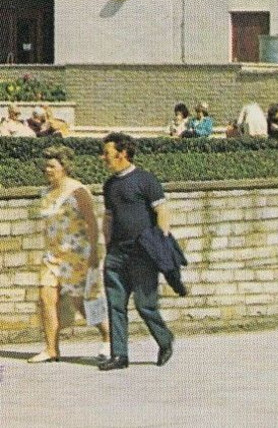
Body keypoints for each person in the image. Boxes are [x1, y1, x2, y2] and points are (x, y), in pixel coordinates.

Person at [98, 132, 176, 371]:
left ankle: (165, 340)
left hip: (143, 254)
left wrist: (160, 244)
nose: (103, 158)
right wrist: (107, 245)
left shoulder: (146, 180)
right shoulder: (109, 185)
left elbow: (162, 212)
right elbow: (109, 217)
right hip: (116, 254)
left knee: (145, 305)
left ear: (122, 154)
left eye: (107, 154)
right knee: (115, 304)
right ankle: (119, 355)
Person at [29, 146, 111, 363]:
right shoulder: (45, 193)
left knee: (81, 303)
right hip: (52, 256)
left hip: (76, 255)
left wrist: (94, 252)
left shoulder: (77, 191)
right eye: (45, 165)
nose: (47, 169)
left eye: (52, 166)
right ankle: (51, 349)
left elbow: (92, 223)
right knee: (46, 298)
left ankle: (109, 337)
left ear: (64, 167)